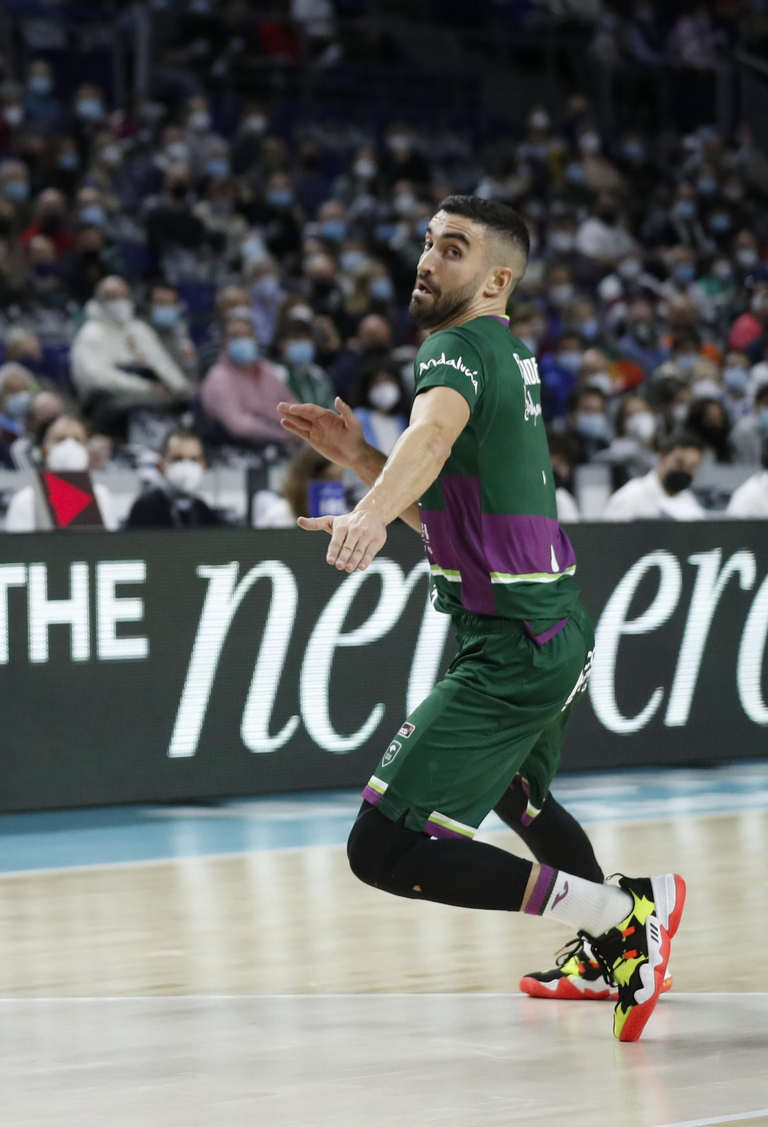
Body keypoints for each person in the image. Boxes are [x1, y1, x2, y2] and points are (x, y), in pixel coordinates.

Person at [277, 195, 681, 1043]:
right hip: (549, 628)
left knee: (381, 849)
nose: (427, 259)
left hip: (511, 650)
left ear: (496, 278)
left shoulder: (454, 349)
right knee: (518, 793)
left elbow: (429, 440)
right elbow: (461, 513)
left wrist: (371, 512)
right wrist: (355, 459)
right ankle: (616, 936)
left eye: (451, 248)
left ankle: (621, 917)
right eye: (427, 241)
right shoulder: (508, 352)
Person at [69, 276, 192, 428]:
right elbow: (98, 379)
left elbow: (162, 363)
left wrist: (181, 388)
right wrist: (146, 387)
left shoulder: (138, 329)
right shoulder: (90, 334)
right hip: (110, 401)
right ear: (99, 300)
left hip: (151, 394)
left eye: (123, 296)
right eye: (112, 297)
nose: (119, 302)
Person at [3, 413, 124, 531]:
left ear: (87, 452)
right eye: (61, 439)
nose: (69, 446)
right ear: (45, 452)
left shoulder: (100, 496)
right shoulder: (25, 499)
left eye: (77, 440)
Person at [199, 316, 297, 449]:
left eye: (247, 335)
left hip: (285, 438)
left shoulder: (266, 369)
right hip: (241, 449)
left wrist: (298, 428)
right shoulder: (218, 378)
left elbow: (292, 405)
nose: (242, 341)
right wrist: (282, 435)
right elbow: (238, 426)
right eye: (236, 337)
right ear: (224, 344)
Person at [601, 431, 708, 521]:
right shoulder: (630, 497)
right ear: (662, 458)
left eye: (692, 466)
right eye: (679, 463)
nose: (685, 470)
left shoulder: (689, 500)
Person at [126, 430, 222, 529]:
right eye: (178, 459)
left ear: (204, 465)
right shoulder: (144, 509)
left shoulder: (204, 512)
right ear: (160, 466)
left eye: (194, 459)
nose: (187, 466)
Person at [250, 445, 345, 529]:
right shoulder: (277, 517)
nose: (335, 484)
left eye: (338, 478)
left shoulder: (344, 516)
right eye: (329, 478)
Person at [352, 363, 409, 452]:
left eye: (389, 380)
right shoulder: (358, 418)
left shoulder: (402, 421)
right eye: (377, 382)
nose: (384, 386)